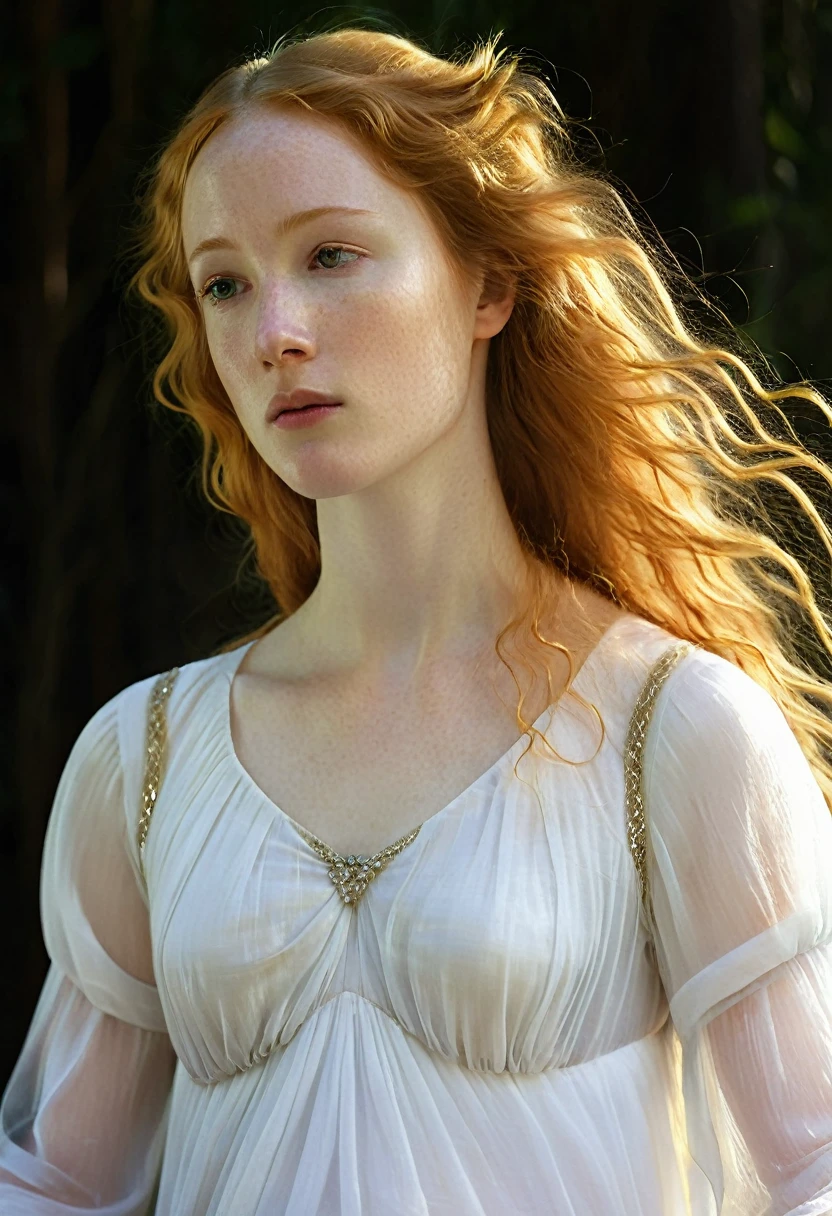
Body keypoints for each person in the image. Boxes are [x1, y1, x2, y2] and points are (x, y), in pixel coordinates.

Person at [2, 24, 832, 1216]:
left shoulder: (675, 728)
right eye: (225, 282)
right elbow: (55, 1186)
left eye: (331, 255)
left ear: (487, 284)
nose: (272, 330)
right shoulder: (147, 758)